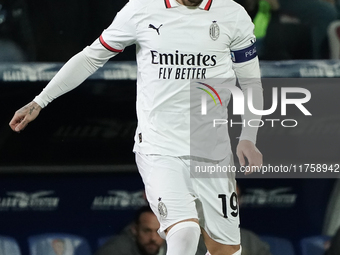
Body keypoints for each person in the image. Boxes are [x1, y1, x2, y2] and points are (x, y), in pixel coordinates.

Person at [9, 0, 263, 254]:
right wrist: (39, 101)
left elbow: (251, 82)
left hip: (213, 150)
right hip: (160, 146)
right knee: (184, 232)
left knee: (227, 250)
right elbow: (90, 57)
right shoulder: (141, 9)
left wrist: (248, 137)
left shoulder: (232, 13)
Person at [95, 205, 166, 255]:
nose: (153, 238)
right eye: (147, 231)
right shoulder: (114, 250)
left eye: (158, 231)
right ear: (134, 229)